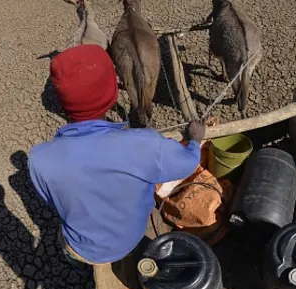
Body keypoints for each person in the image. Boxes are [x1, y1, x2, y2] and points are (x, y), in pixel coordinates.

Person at [28, 44, 205, 267]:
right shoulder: (145, 144)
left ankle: (80, 265)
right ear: (113, 93)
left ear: (63, 103)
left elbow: (54, 202)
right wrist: (195, 141)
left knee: (66, 240)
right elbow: (187, 164)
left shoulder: (39, 159)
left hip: (82, 249)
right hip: (131, 239)